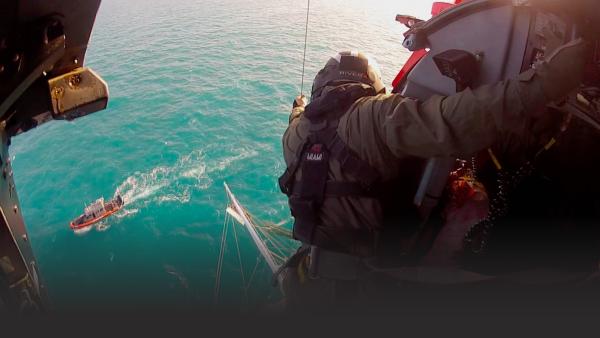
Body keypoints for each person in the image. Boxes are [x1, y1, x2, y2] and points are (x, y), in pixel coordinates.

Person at [277, 40, 589, 309]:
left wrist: (300, 106)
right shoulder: (373, 115)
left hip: (311, 277)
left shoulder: (294, 135)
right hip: (368, 284)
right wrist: (547, 81)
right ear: (368, 84)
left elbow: (298, 117)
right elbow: (462, 119)